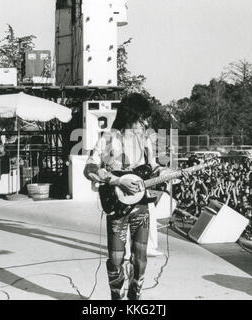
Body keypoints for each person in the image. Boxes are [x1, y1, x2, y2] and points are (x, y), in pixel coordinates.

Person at [84, 93, 159, 300]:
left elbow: (153, 167)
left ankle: (135, 298)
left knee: (140, 258)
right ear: (130, 116)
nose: (144, 123)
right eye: (141, 118)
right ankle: (116, 298)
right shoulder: (109, 139)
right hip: (116, 206)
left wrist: (168, 174)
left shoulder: (145, 141)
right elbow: (89, 168)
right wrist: (117, 181)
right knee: (116, 259)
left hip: (141, 206)